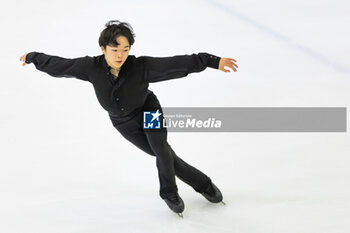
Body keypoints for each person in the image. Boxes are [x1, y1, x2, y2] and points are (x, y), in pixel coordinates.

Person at [19, 20, 238, 217]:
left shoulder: (140, 67)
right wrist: (34, 58)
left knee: (161, 149)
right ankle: (204, 184)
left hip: (149, 111)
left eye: (125, 49)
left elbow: (174, 64)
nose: (120, 55)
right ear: (103, 49)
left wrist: (211, 61)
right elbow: (61, 65)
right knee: (165, 155)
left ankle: (170, 193)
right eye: (114, 49)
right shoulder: (91, 67)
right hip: (123, 124)